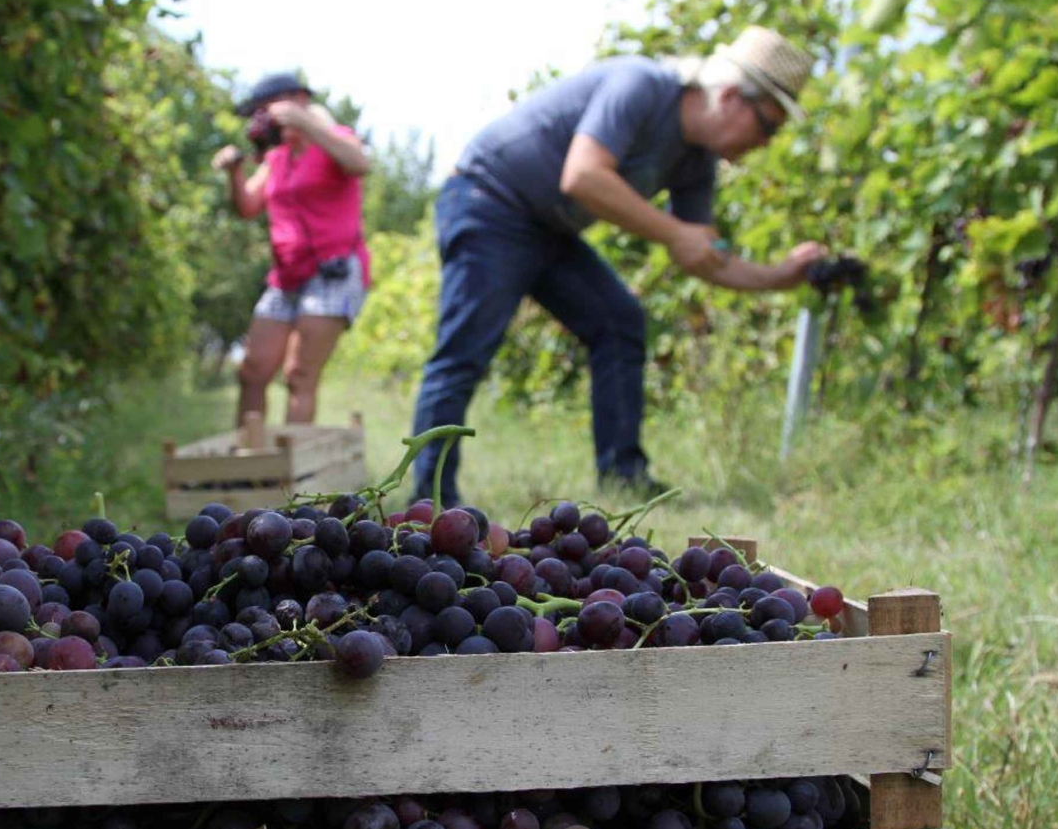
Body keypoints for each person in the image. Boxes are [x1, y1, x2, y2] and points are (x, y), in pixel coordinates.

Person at [410, 26, 830, 505]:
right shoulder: (641, 84)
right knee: (466, 348)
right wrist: (675, 232)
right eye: (768, 126)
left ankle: (623, 479)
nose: (767, 143)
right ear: (732, 97)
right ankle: (431, 497)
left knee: (618, 320)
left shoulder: (696, 162)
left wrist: (780, 276)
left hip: (550, 230)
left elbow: (703, 257)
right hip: (490, 201)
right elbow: (584, 175)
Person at [212, 71, 372, 429]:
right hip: (285, 276)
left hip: (334, 270)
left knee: (299, 373)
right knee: (253, 369)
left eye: (263, 110)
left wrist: (309, 123)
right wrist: (234, 173)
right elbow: (248, 206)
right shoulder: (276, 159)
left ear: (296, 99)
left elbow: (360, 164)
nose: (260, 120)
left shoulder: (335, 140)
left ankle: (293, 476)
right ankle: (248, 463)